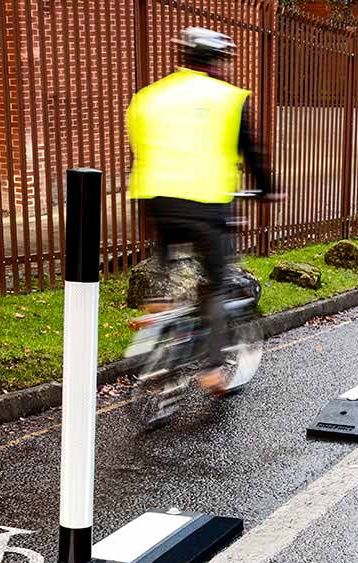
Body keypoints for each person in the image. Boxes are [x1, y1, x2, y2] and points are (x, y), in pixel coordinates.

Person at [126, 26, 279, 394]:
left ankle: (158, 308)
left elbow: (139, 140)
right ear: (214, 62)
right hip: (206, 202)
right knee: (216, 283)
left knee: (166, 255)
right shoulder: (228, 98)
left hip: (156, 199)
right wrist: (268, 189)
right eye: (223, 61)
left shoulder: (150, 96)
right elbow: (250, 152)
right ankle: (212, 370)